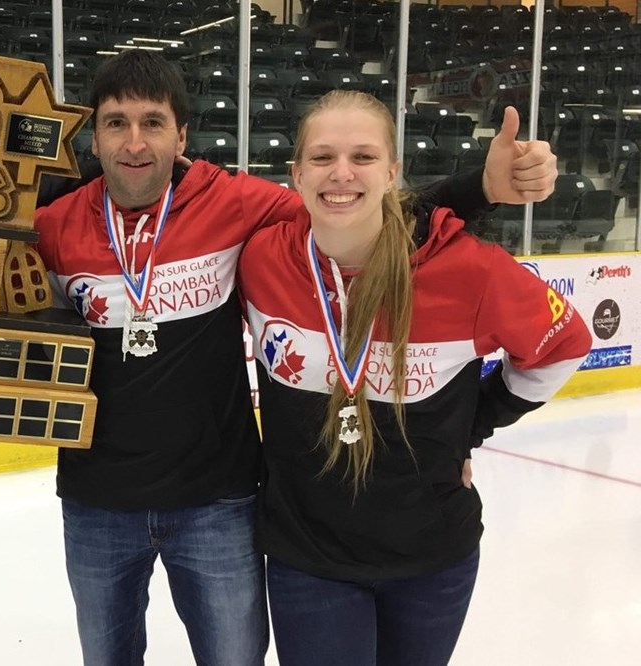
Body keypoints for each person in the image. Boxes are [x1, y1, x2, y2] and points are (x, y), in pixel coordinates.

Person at [32, 50, 560, 666]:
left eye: (153, 122)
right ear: (93, 135)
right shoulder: (51, 226)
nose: (134, 141)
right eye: (116, 122)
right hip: (97, 502)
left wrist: (480, 189)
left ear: (182, 135)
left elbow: (357, 211)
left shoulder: (236, 204)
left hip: (219, 502)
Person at [238, 90, 592, 665]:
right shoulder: (260, 259)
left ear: (393, 171)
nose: (342, 173)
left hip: (433, 562)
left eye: (364, 156)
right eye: (323, 158)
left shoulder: (468, 270)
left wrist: (473, 424)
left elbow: (566, 343)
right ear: (296, 173)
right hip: (310, 560)